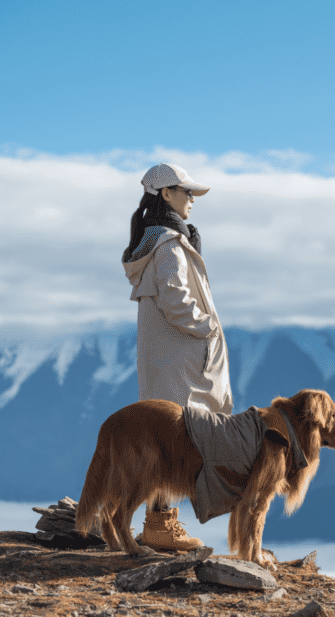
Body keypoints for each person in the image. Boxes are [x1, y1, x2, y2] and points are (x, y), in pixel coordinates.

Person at [122, 163, 233, 550]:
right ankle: (160, 526)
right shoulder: (169, 245)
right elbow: (176, 301)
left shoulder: (158, 243)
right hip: (179, 364)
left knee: (167, 440)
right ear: (166, 194)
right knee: (175, 441)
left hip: (171, 361)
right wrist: (209, 328)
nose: (191, 201)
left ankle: (159, 523)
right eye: (186, 193)